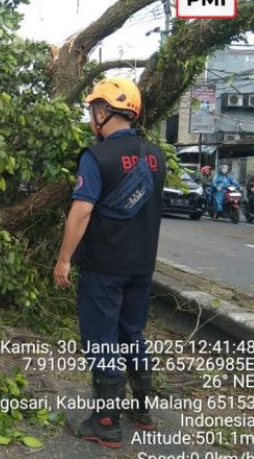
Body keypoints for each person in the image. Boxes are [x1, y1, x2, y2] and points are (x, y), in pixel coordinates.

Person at [53, 78, 166, 449]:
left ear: (103, 111)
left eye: (92, 110)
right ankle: (144, 409)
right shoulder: (156, 155)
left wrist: (64, 260)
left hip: (104, 267)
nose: (90, 118)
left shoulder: (96, 156)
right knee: (131, 333)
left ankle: (106, 421)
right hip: (142, 266)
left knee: (101, 340)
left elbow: (81, 211)